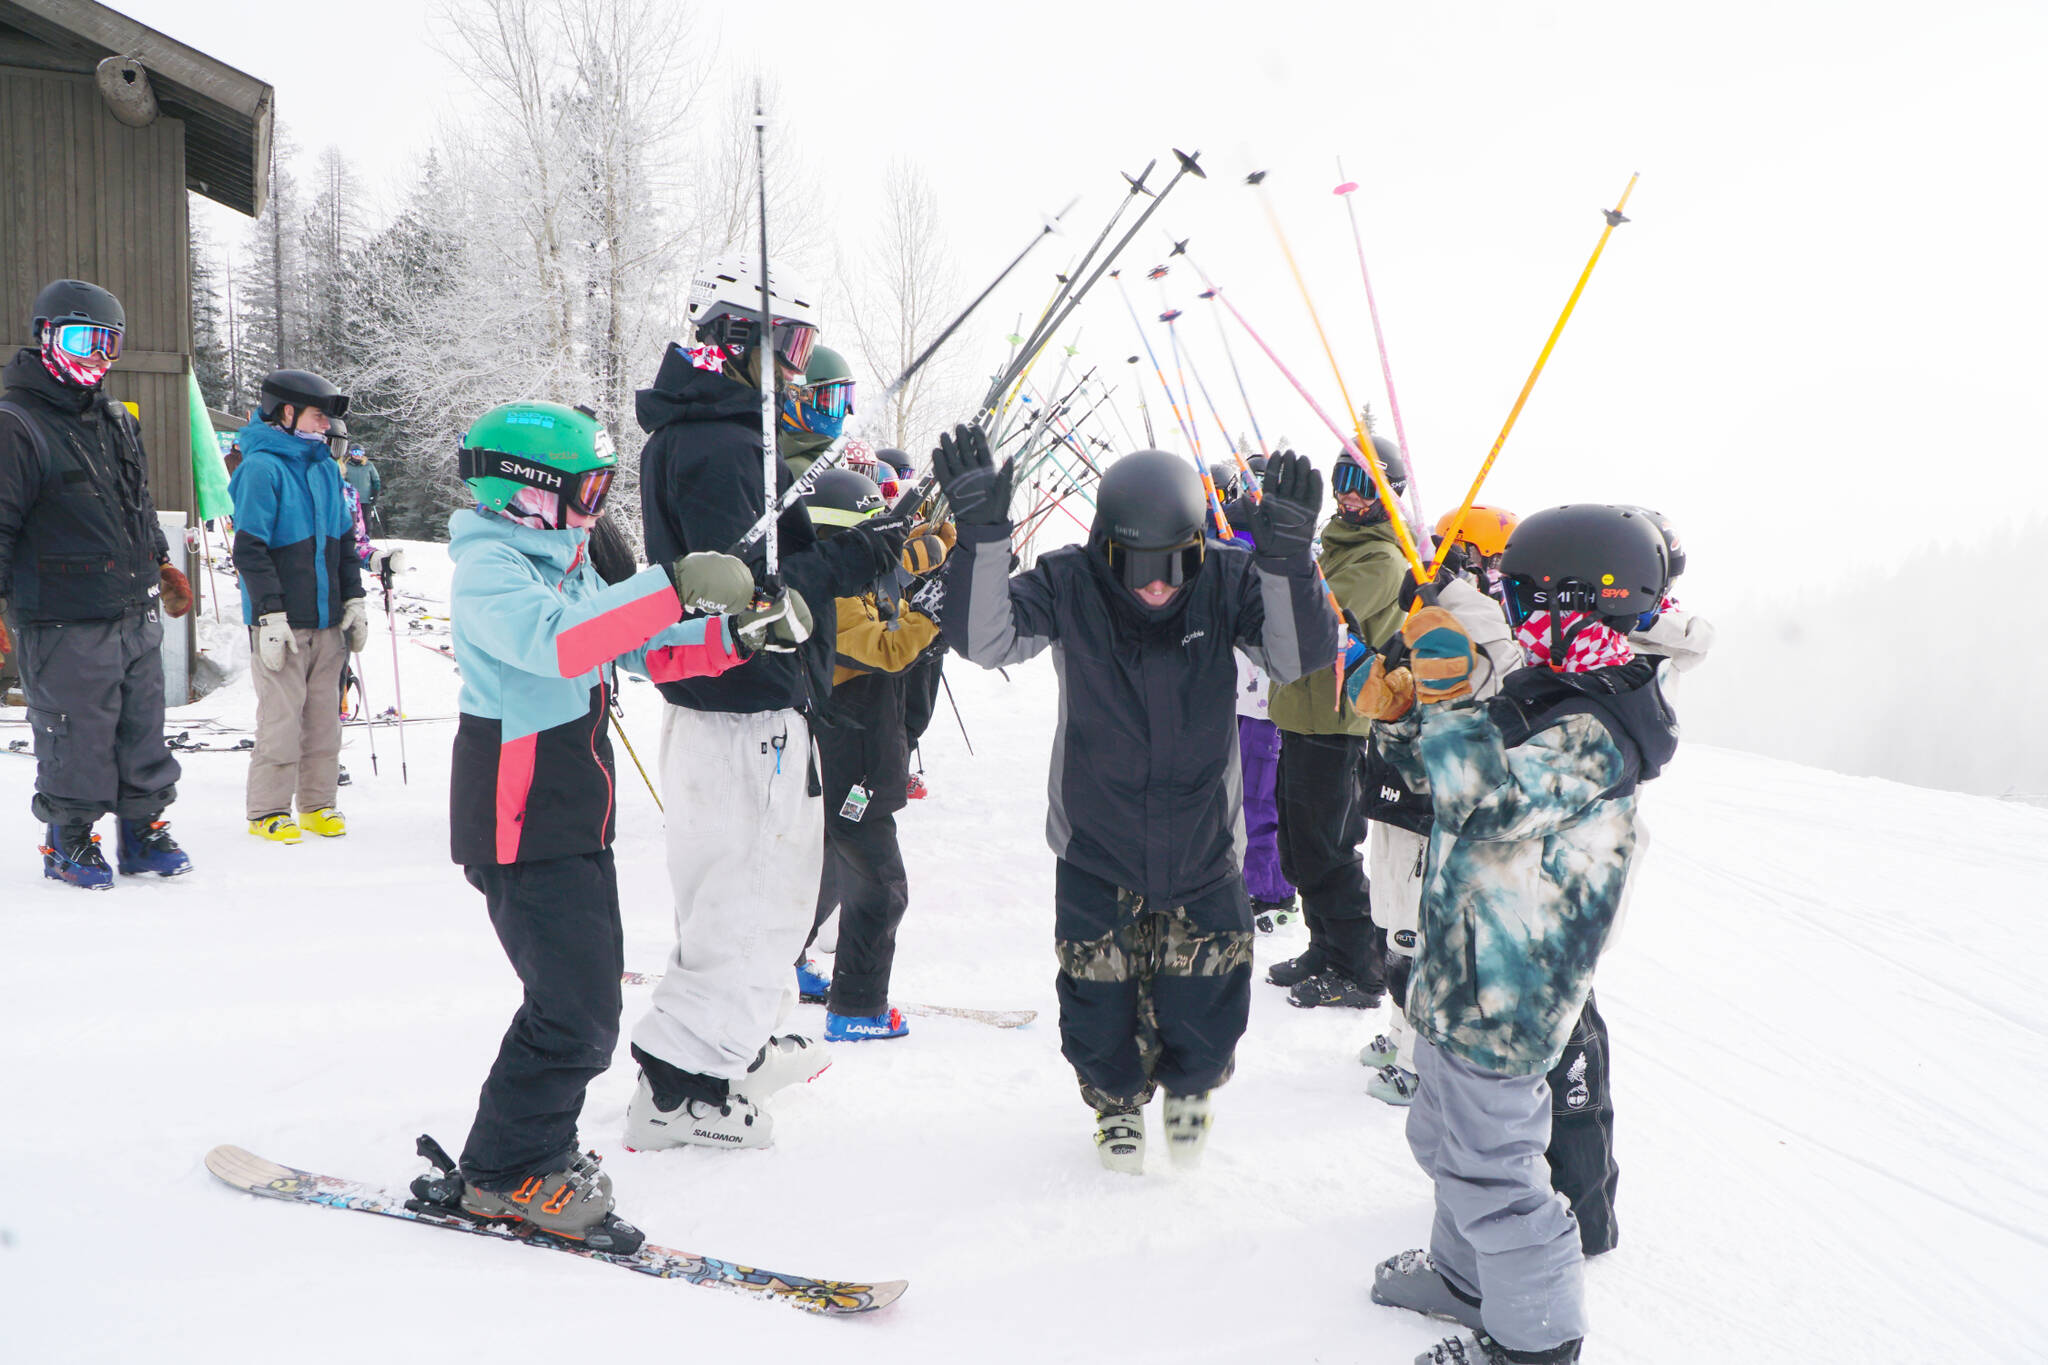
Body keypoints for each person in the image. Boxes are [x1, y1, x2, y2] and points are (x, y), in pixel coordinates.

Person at [424, 399, 778, 1251]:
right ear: (529, 489)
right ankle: (509, 1169)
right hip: (517, 817)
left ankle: (519, 1153)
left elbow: (639, 649)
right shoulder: (492, 571)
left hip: (572, 813)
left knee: (581, 1000)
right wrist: (671, 582)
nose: (596, 507)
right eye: (587, 491)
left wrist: (732, 634)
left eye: (602, 490)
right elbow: (561, 645)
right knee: (574, 1011)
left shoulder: (560, 558)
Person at [936, 429, 1338, 1171]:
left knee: (1208, 994)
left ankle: (1190, 1088)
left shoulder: (1225, 580)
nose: (1158, 586)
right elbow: (983, 640)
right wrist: (983, 541)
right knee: (1098, 1002)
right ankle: (1117, 1105)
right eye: (1138, 567)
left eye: (1176, 564)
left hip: (1201, 845)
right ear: (1103, 549)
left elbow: (1295, 655)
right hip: (1099, 842)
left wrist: (1288, 561)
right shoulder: (1069, 582)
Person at [1359, 504, 1677, 1365]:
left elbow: (1488, 798)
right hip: (1464, 961)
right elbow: (1438, 778)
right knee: (1442, 1135)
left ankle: (1535, 1343)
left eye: (1527, 598)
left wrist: (1450, 692)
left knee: (1494, 1171)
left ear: (1580, 602)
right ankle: (1466, 1278)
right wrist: (1403, 710)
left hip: (1511, 982)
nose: (1516, 616)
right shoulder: (1549, 686)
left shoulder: (1599, 725)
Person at [624, 254, 909, 1152]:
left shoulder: (704, 434)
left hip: (733, 709)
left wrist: (852, 540)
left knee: (750, 888)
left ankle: (728, 1046)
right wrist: (851, 565)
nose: (797, 366)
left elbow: (759, 559)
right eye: (790, 344)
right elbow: (748, 598)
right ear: (742, 340)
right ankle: (682, 1087)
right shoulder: (716, 445)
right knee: (749, 893)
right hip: (739, 708)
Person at [0, 278, 191, 886]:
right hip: (62, 615)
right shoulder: (15, 425)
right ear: (46, 337)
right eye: (84, 337)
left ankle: (142, 831)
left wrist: (160, 562)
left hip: (132, 608)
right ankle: (70, 840)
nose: (97, 354)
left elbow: (136, 502)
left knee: (142, 728)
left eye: (109, 342)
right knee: (74, 731)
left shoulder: (114, 418)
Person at [1356, 554, 1521, 1109]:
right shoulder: (1432, 620)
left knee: (1416, 941)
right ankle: (1400, 1033)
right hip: (1393, 799)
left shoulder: (1491, 633)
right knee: (1392, 925)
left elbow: (1493, 674)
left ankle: (1416, 1064)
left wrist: (1455, 601)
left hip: (1430, 808)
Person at [795, 467, 946, 1040]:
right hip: (850, 758)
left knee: (830, 869)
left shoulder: (849, 577)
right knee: (880, 887)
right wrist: (928, 614)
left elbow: (903, 564)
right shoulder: (832, 590)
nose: (880, 540)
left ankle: (782, 960)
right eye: (871, 528)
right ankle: (856, 1008)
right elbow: (885, 648)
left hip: (862, 750)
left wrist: (943, 542)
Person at [1266, 437, 1411, 1009]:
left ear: (1388, 496)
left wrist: (1287, 553)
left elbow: (1317, 612)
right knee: (1299, 850)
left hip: (1339, 723)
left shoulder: (1381, 559)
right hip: (1302, 713)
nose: (1348, 499)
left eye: (1363, 486)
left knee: (1327, 850)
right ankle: (1325, 946)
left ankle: (1361, 969)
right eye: (1341, 482)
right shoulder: (1337, 544)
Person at [230, 370, 366, 843]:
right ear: (285, 413)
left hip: (327, 623)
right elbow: (249, 549)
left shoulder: (326, 468)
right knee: (282, 720)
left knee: (324, 720)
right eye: (317, 415)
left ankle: (317, 804)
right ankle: (267, 810)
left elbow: (345, 542)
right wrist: (268, 613)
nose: (326, 425)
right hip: (281, 624)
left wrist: (355, 598)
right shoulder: (262, 468)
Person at [1216, 461, 1296, 931]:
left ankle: (1269, 886)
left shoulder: (1270, 546)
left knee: (1261, 797)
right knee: (1240, 794)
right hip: (1240, 697)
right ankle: (1248, 877)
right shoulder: (1231, 538)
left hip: (1266, 701)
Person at [341, 442, 381, 525]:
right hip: (351, 500)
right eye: (355, 452)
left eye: (360, 453)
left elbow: (376, 480)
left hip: (365, 499)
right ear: (351, 453)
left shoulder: (368, 465)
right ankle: (353, 537)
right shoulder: (346, 465)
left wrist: (375, 494)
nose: (357, 455)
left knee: (366, 521)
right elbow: (341, 480)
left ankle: (367, 536)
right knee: (352, 521)